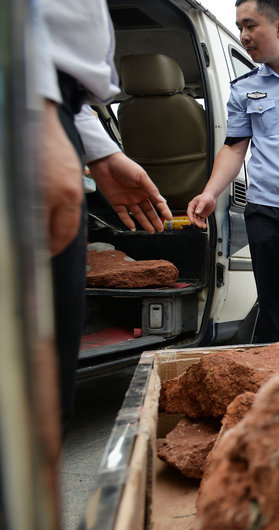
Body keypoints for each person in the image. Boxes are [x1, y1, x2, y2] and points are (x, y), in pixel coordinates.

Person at [36, 0, 172, 433]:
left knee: (48, 399)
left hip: (58, 104)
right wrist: (38, 112)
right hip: (30, 100)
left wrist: (99, 150)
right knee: (32, 403)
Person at [187, 0, 279, 343]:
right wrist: (209, 193)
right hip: (266, 211)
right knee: (272, 307)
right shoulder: (243, 89)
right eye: (239, 27)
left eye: (250, 26)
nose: (244, 36)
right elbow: (234, 147)